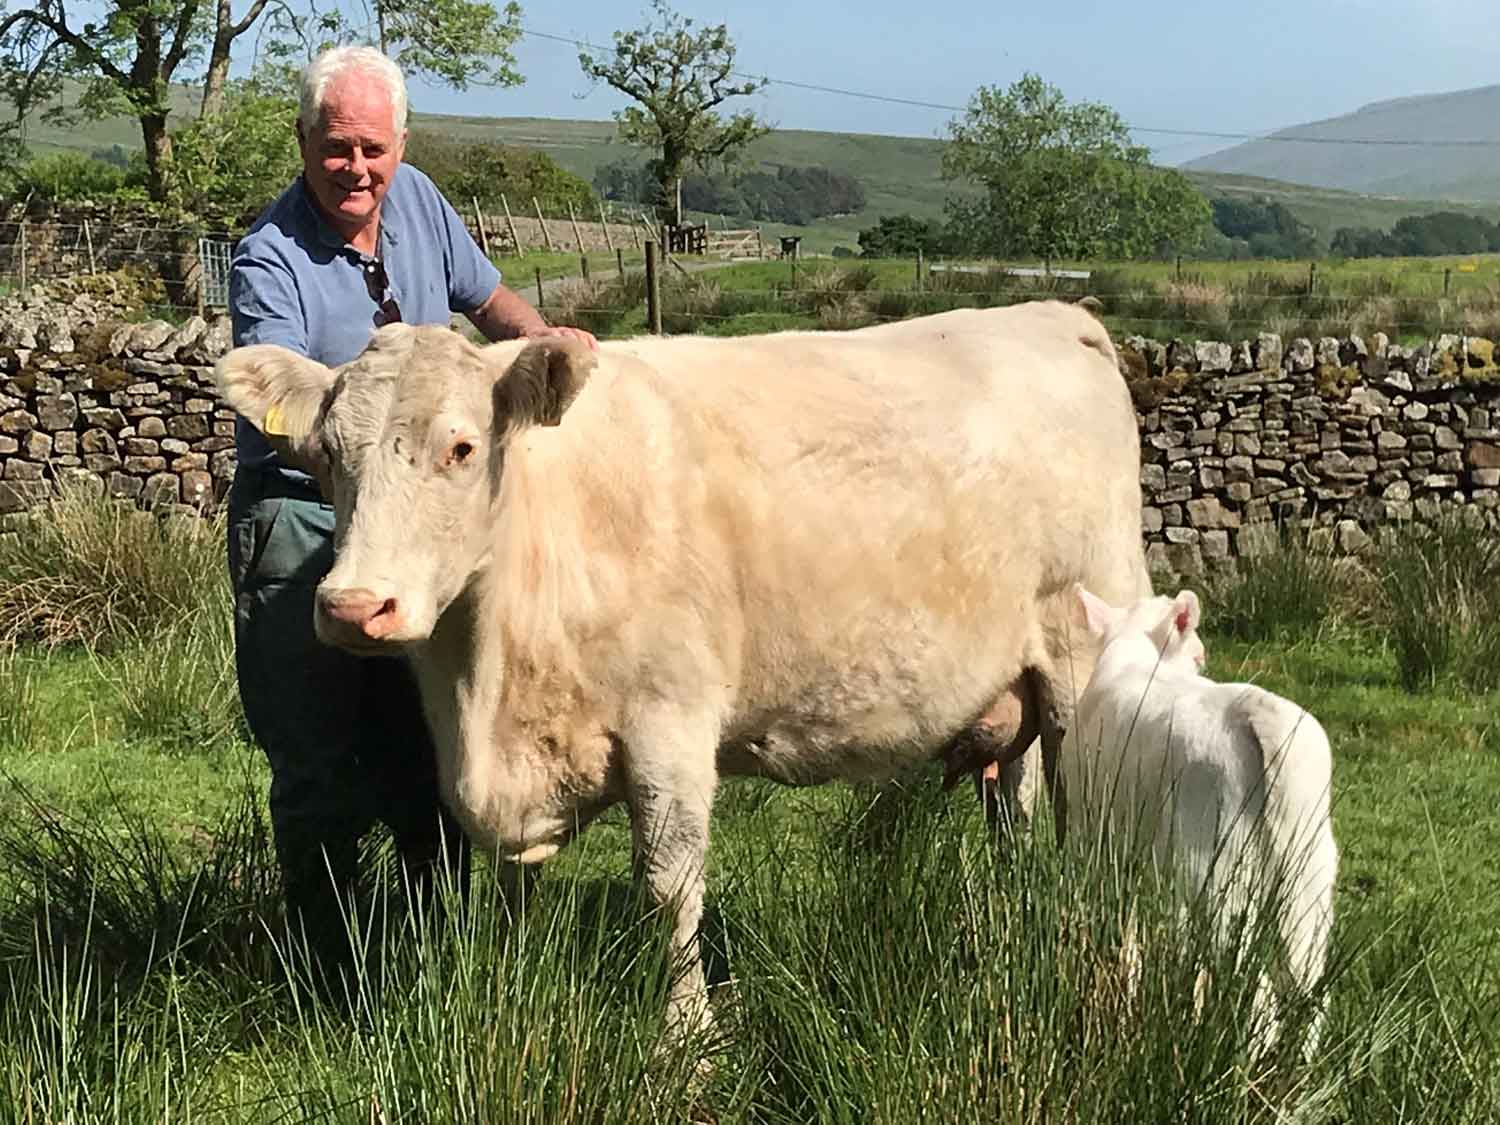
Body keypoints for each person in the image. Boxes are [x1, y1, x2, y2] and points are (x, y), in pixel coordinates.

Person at [225, 44, 597, 980]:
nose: (357, 169)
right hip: (306, 515)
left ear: (401, 144)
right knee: (315, 761)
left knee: (426, 746)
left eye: (374, 148)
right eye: (336, 147)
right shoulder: (269, 259)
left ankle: (434, 951)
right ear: (303, 139)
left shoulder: (420, 201)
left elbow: (488, 295)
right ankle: (328, 970)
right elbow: (284, 420)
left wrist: (543, 344)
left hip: (422, 526)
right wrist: (370, 453)